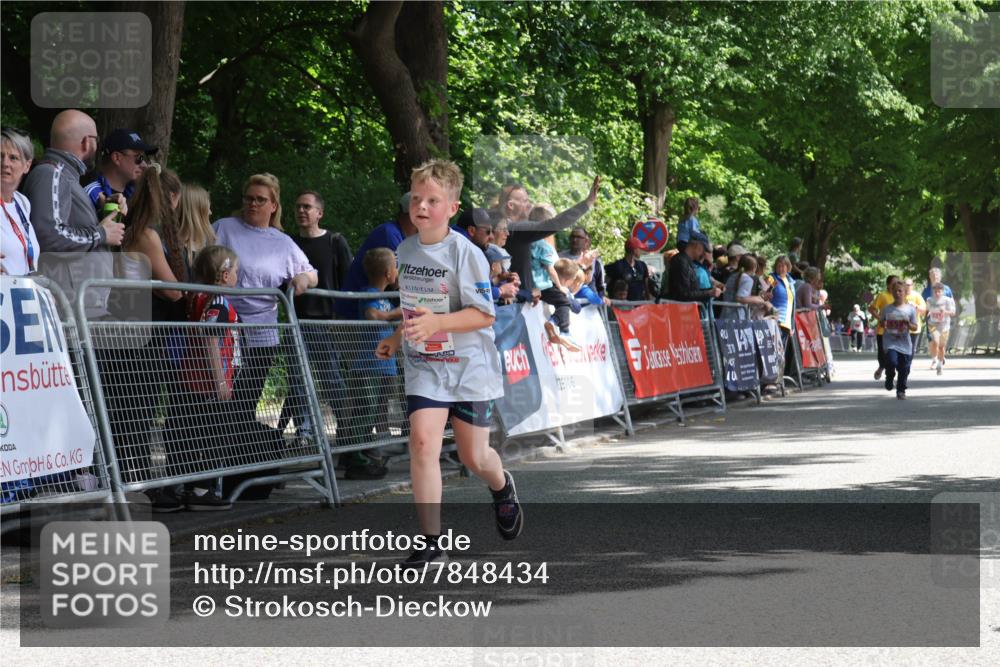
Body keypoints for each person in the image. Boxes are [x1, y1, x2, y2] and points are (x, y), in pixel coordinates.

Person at [375, 159, 521, 566]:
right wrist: (397, 335)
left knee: (475, 458)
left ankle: (501, 484)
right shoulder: (404, 250)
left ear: (452, 208)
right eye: (416, 198)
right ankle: (430, 540)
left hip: (470, 366)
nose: (421, 206)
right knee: (422, 442)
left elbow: (485, 315)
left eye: (433, 200)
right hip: (426, 365)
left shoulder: (467, 253)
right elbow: (415, 307)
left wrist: (439, 321)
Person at [212, 173, 317, 462]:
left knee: (246, 401)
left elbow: (311, 272)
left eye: (260, 199)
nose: (253, 204)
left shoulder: (282, 243)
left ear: (273, 205)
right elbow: (199, 257)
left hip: (262, 333)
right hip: (222, 327)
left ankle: (238, 468)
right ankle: (214, 469)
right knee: (220, 400)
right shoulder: (224, 227)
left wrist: (303, 280)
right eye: (249, 198)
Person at [22, 110, 125, 317]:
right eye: (96, 140)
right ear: (87, 142)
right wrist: (101, 234)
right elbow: (49, 234)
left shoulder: (63, 175)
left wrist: (100, 210)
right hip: (72, 309)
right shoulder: (53, 173)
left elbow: (65, 225)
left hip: (81, 306)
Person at [280, 190, 353, 446]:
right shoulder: (287, 243)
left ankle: (347, 429)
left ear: (319, 213)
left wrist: (344, 321)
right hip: (295, 321)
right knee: (298, 380)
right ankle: (305, 434)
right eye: (298, 206)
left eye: (307, 207)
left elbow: (348, 281)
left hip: (326, 323)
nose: (302, 211)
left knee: (332, 379)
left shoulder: (335, 241)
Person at [178, 245, 243, 511]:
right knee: (213, 435)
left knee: (196, 433)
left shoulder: (198, 296)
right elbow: (211, 340)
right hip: (207, 383)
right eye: (236, 271)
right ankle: (202, 490)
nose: (238, 276)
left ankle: (191, 487)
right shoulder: (217, 302)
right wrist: (220, 381)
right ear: (225, 275)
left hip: (195, 380)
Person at [340, 248, 401, 479]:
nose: (398, 270)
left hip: (382, 366)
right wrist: (393, 315)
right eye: (395, 266)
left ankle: (362, 456)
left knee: (373, 413)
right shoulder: (368, 294)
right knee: (364, 412)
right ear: (388, 273)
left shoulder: (385, 296)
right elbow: (371, 315)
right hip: (367, 366)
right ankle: (355, 458)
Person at [499, 177, 600, 292]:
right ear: (511, 205)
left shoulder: (510, 228)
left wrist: (498, 290)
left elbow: (481, 290)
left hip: (520, 301)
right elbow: (556, 223)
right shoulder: (516, 229)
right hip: (512, 306)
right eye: (525, 201)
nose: (529, 204)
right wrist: (588, 202)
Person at [336, 192, 416, 318]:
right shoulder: (389, 235)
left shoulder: (404, 237)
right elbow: (400, 282)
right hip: (354, 319)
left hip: (370, 321)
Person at [83, 128, 157, 214]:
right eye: (139, 158)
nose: (144, 165)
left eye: (144, 158)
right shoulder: (91, 194)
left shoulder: (136, 193)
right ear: (117, 158)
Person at [1, 127, 38, 276]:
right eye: (0, 156)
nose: (5, 163)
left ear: (27, 166)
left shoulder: (22, 202)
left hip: (20, 295)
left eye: (13, 158)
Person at [879, 280, 918, 400]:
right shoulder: (887, 309)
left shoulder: (910, 309)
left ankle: (901, 391)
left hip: (905, 344)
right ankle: (889, 377)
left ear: (905, 292)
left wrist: (908, 323)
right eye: (895, 290)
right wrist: (884, 323)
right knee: (891, 362)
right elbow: (881, 323)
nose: (897, 293)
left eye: (900, 290)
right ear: (891, 292)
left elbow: (915, 327)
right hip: (890, 342)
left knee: (904, 368)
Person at [662, 231, 721, 303]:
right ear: (697, 246)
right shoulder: (680, 262)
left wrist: (711, 290)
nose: (704, 253)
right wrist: (709, 293)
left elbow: (691, 291)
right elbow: (683, 294)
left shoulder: (686, 262)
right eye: (704, 249)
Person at [176, 184, 217, 270]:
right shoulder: (171, 250)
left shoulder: (206, 246)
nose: (210, 213)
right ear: (196, 214)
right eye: (207, 209)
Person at [723, 255, 775, 319]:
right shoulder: (747, 279)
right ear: (754, 268)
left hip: (725, 314)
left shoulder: (732, 276)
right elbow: (740, 298)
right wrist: (761, 300)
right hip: (737, 317)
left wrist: (761, 297)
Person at [560, 225, 606, 298]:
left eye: (578, 237)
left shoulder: (595, 261)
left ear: (586, 241)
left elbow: (601, 286)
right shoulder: (560, 257)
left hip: (589, 304)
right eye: (572, 236)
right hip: (567, 301)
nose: (575, 240)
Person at [869, 275, 899, 381]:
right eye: (893, 283)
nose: (896, 285)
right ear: (888, 284)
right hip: (883, 331)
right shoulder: (882, 295)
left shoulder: (900, 296)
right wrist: (880, 319)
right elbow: (871, 309)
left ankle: (890, 377)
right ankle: (881, 367)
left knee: (893, 356)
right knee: (882, 355)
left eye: (897, 282)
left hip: (897, 331)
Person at [607, 237, 655, 301]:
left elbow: (647, 287)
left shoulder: (642, 265)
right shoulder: (618, 266)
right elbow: (609, 285)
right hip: (623, 306)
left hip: (640, 305)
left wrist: (649, 303)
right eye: (639, 249)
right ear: (634, 250)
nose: (641, 251)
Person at [926, 282, 956, 374]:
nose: (937, 293)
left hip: (944, 325)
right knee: (935, 341)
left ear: (943, 292)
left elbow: (952, 313)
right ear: (933, 292)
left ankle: (940, 363)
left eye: (939, 291)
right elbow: (928, 310)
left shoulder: (947, 300)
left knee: (941, 346)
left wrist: (944, 312)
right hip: (933, 324)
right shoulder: (929, 300)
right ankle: (935, 360)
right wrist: (930, 312)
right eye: (935, 292)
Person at [769, 255, 796, 345]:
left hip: (787, 323)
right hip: (775, 320)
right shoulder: (771, 278)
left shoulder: (790, 281)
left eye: (783, 266)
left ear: (788, 267)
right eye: (778, 266)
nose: (780, 268)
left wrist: (792, 325)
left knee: (781, 352)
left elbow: (792, 305)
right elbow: (764, 296)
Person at [902, 278, 928, 356]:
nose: (907, 287)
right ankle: (903, 365)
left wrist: (915, 306)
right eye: (905, 285)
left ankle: (908, 365)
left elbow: (924, 309)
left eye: (909, 285)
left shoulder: (916, 296)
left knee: (912, 349)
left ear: (912, 286)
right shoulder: (899, 295)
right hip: (901, 327)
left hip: (914, 327)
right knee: (902, 348)